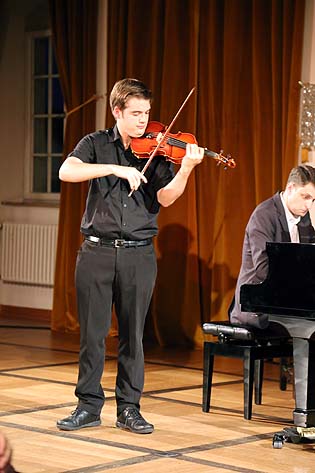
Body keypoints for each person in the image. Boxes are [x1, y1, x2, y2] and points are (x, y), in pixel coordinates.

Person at [57, 78, 204, 433]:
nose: (144, 121)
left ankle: (129, 409)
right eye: (136, 113)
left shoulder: (157, 151)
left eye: (147, 113)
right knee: (92, 335)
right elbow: (67, 171)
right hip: (96, 251)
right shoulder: (95, 143)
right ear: (117, 111)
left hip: (139, 255)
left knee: (132, 337)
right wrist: (114, 168)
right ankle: (88, 406)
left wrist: (185, 168)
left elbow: (166, 198)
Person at [230, 164, 315, 329]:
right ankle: (298, 355)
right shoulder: (264, 215)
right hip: (257, 305)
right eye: (305, 197)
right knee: (306, 327)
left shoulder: (304, 219)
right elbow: (263, 269)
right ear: (290, 188)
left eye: (313, 200)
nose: (308, 205)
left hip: (289, 300)